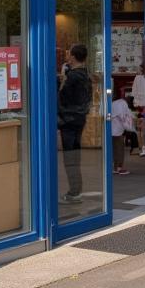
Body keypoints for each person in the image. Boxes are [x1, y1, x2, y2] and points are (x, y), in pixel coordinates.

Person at [57, 44, 92, 204]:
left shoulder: (72, 77)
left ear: (73, 57)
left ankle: (74, 192)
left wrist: (62, 80)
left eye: (68, 54)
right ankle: (76, 189)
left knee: (70, 158)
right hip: (79, 119)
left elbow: (62, 98)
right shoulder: (85, 75)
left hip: (69, 120)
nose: (67, 56)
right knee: (74, 156)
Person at [111, 95, 138, 175]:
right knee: (120, 149)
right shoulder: (122, 104)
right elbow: (123, 117)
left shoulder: (115, 103)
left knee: (115, 150)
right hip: (117, 131)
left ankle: (115, 167)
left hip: (112, 130)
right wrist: (131, 127)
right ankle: (119, 168)